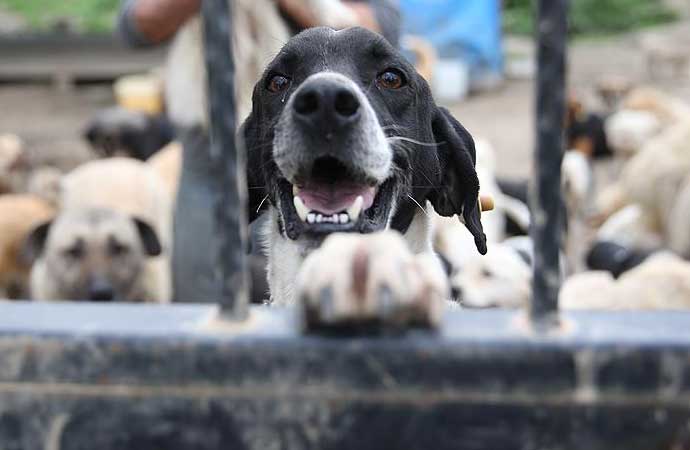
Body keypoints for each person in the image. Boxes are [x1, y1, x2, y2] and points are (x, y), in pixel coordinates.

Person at [118, 0, 401, 303]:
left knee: (322, 300)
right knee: (204, 304)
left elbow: (382, 29)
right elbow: (136, 26)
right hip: (210, 155)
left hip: (313, 156)